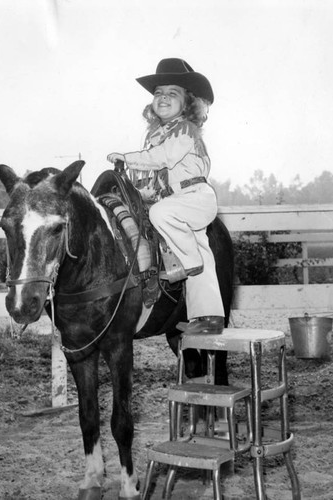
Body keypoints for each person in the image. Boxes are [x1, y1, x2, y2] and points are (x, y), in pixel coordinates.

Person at [107, 58, 224, 335]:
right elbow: (151, 173)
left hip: (194, 194)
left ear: (189, 103)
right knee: (200, 248)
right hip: (177, 200)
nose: (163, 98)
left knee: (161, 214)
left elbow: (161, 158)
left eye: (173, 93)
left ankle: (186, 263)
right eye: (158, 93)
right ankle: (208, 317)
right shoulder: (156, 134)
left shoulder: (185, 129)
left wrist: (128, 158)